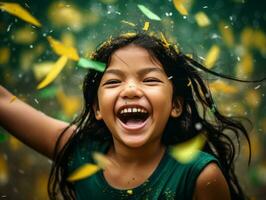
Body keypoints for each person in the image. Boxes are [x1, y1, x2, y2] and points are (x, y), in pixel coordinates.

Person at [0, 32, 258, 200]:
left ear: (175, 105)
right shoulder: (79, 151)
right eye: (113, 82)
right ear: (97, 109)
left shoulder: (200, 176)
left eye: (150, 79)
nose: (131, 90)